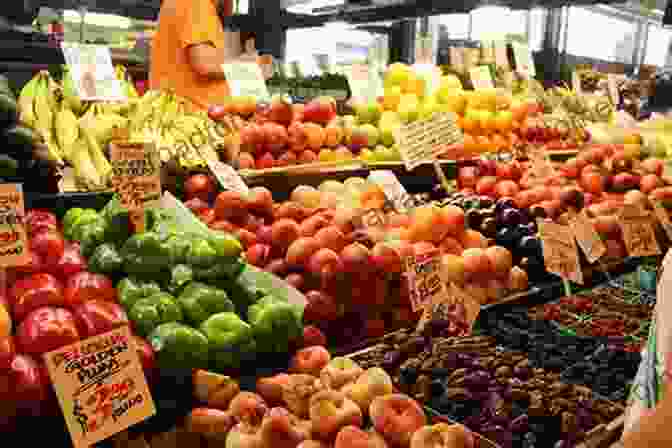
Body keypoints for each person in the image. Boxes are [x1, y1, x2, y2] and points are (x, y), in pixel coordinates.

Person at [150, 0, 264, 109]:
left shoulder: (202, 7)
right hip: (192, 120)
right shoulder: (196, 4)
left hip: (193, 117)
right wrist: (250, 64)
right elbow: (205, 63)